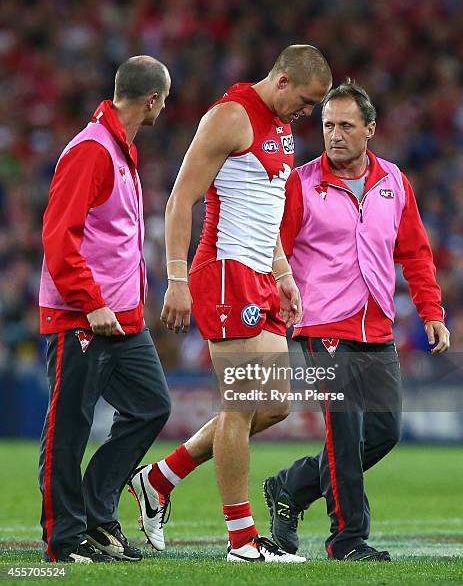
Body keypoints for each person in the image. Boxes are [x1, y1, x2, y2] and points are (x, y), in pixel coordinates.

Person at [128, 45, 332, 562]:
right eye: (305, 102)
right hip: (222, 273)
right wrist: (175, 280)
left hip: (261, 276)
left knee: (274, 406)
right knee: (239, 405)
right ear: (282, 81)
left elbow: (266, 212)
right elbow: (180, 200)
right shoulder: (229, 116)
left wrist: (283, 275)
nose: (306, 113)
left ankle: (159, 476)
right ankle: (241, 541)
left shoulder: (282, 129)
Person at [262, 79, 450, 562]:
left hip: (377, 327)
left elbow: (415, 254)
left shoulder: (393, 182)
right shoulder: (300, 184)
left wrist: (431, 312)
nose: (335, 134)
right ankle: (346, 541)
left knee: (384, 432)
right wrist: (272, 309)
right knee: (343, 430)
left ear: (370, 129)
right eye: (327, 125)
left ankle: (292, 486)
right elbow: (274, 249)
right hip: (322, 325)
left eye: (346, 125)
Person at [38, 56, 172, 563]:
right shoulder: (93, 151)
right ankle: (63, 540)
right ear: (153, 100)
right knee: (68, 430)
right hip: (83, 316)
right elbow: (58, 236)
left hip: (122, 319)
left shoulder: (120, 150)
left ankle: (96, 514)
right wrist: (90, 302)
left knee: (152, 405)